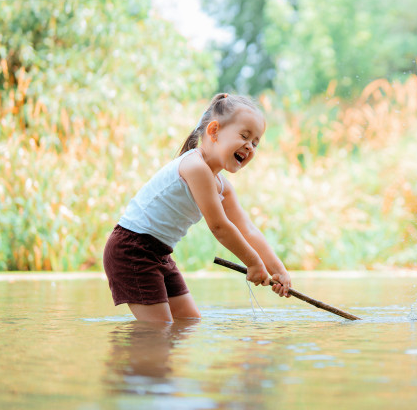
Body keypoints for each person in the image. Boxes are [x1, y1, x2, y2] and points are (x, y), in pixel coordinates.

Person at [103, 93, 291, 322]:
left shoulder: (223, 186)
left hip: (159, 253)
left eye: (255, 142)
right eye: (244, 136)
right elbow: (220, 227)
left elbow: (247, 229)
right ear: (214, 131)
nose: (249, 146)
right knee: (158, 330)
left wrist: (278, 269)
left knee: (188, 322)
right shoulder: (195, 167)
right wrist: (253, 263)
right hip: (131, 249)